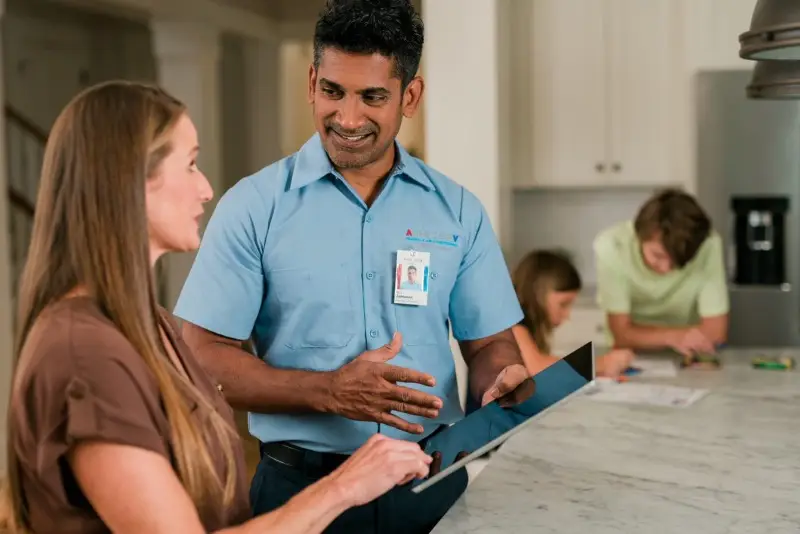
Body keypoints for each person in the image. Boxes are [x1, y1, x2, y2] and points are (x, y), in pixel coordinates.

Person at [0, 80, 434, 534]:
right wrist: (344, 486)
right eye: (189, 165)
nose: (206, 189)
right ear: (129, 180)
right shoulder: (83, 353)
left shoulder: (151, 327)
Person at [174, 1, 533, 532]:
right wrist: (329, 391)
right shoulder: (253, 207)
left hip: (431, 484)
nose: (347, 118)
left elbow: (488, 345)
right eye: (334, 92)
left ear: (410, 96)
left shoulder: (458, 211)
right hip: (301, 492)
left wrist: (502, 380)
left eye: (373, 97)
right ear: (312, 81)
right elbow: (200, 360)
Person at [593, 189, 729, 359]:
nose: (665, 268)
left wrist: (644, 335)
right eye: (658, 256)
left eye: (679, 261)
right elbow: (621, 334)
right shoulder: (612, 245)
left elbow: (716, 333)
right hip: (628, 356)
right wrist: (674, 337)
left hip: (691, 355)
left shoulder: (708, 244)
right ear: (639, 236)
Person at [511, 250, 635, 378]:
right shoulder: (510, 319)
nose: (567, 315)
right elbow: (537, 367)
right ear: (538, 294)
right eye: (563, 304)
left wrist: (595, 371)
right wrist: (599, 363)